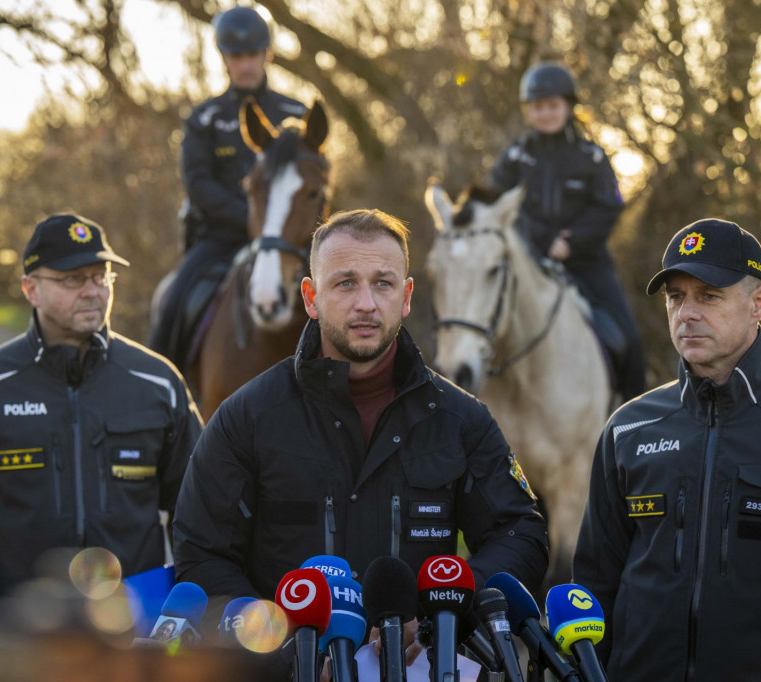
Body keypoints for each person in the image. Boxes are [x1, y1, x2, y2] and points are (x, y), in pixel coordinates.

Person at [173, 208, 549, 599]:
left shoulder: (461, 420)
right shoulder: (246, 419)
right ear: (311, 297)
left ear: (405, 298)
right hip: (285, 658)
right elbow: (200, 553)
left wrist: (443, 611)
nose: (366, 303)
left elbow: (520, 535)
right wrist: (277, 643)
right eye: (346, 283)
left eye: (383, 284)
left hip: (426, 658)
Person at [573, 218, 761, 681]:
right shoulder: (627, 429)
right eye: (675, 297)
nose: (686, 313)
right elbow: (593, 586)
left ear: (759, 303)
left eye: (708, 295)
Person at [0, 213, 203, 645]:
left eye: (101, 276)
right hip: (13, 640)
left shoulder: (159, 384)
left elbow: (199, 517)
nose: (92, 290)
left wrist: (195, 613)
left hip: (132, 638)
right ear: (31, 289)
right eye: (71, 279)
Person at [149, 6, 306, 370]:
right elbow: (199, 185)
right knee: (173, 303)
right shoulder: (203, 119)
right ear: (224, 59)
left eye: (252, 54)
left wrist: (276, 228)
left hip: (290, 242)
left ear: (267, 54)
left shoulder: (296, 114)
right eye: (237, 56)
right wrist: (254, 221)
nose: (246, 64)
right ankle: (160, 395)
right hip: (219, 240)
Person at [490, 61, 645, 400]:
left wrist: (571, 243)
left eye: (552, 105)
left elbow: (608, 206)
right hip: (526, 263)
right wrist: (544, 240)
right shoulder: (515, 157)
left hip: (586, 264)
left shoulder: (591, 157)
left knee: (630, 340)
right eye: (538, 106)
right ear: (528, 110)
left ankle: (634, 421)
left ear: (568, 106)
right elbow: (497, 204)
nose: (545, 113)